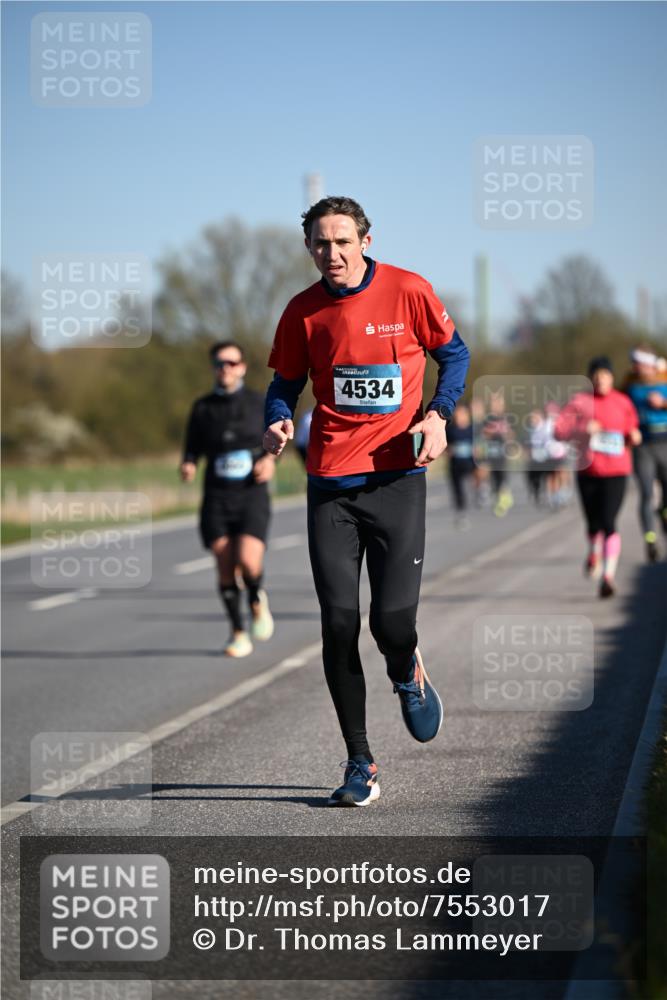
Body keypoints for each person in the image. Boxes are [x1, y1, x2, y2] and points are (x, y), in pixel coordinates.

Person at [263, 195, 470, 806]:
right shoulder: (302, 311)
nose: (333, 253)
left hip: (397, 477)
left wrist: (438, 415)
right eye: (321, 244)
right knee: (337, 623)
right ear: (309, 248)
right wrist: (277, 416)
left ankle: (406, 668)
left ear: (366, 241)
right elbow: (284, 382)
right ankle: (360, 763)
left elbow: (453, 355)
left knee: (390, 622)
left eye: (343, 241)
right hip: (331, 481)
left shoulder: (409, 291)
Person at [181, 340, 276, 657]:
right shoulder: (203, 407)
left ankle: (256, 598)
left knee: (248, 561)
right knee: (224, 566)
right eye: (220, 363)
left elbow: (275, 439)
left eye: (232, 363)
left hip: (251, 492)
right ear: (213, 368)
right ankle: (238, 632)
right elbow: (191, 445)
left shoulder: (258, 402)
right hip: (217, 495)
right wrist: (189, 462)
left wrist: (269, 459)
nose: (226, 369)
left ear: (243, 367)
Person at [555, 356, 641, 598]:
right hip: (588, 472)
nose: (601, 379)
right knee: (593, 523)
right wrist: (582, 429)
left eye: (605, 374)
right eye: (596, 374)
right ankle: (594, 552)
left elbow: (633, 429)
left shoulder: (623, 402)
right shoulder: (579, 402)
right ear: (590, 377)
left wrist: (634, 436)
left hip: (617, 472)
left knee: (609, 522)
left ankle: (608, 576)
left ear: (612, 377)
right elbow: (558, 431)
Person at [622, 347, 667, 562]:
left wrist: (663, 403)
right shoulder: (629, 385)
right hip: (643, 447)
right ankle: (650, 539)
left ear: (649, 364)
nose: (635, 367)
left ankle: (664, 520)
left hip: (665, 443)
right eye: (633, 363)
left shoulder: (665, 380)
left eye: (638, 363)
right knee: (647, 493)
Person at [446, 404, 475, 527]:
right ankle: (461, 511)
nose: (459, 417)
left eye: (462, 414)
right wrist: (449, 450)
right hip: (455, 463)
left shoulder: (472, 429)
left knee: (472, 483)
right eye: (457, 414)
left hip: (471, 463)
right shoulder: (450, 430)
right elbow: (444, 445)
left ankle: (481, 490)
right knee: (458, 488)